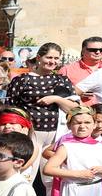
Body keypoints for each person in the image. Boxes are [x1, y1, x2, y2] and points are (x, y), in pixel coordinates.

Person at [5, 42, 78, 183]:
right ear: (39, 57)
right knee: (25, 176)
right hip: (31, 132)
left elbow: (75, 109)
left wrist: (56, 99)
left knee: (51, 179)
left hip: (56, 134)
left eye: (56, 58)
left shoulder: (62, 80)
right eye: (49, 57)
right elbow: (10, 108)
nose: (53, 62)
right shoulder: (22, 80)